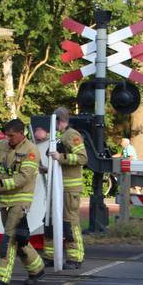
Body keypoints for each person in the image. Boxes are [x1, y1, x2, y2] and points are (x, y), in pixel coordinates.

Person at [0, 118, 46, 285]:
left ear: (22, 134)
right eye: (7, 135)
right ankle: (37, 268)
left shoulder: (31, 151)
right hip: (4, 200)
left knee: (9, 238)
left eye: (12, 136)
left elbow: (23, 178)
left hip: (20, 200)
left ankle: (0, 279)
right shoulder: (4, 146)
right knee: (20, 239)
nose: (8, 139)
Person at [43, 107, 87, 268]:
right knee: (49, 221)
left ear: (60, 121)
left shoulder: (72, 135)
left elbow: (83, 158)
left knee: (69, 222)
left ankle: (75, 258)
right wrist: (47, 168)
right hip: (58, 187)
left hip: (69, 188)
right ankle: (49, 256)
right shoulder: (61, 137)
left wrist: (60, 157)